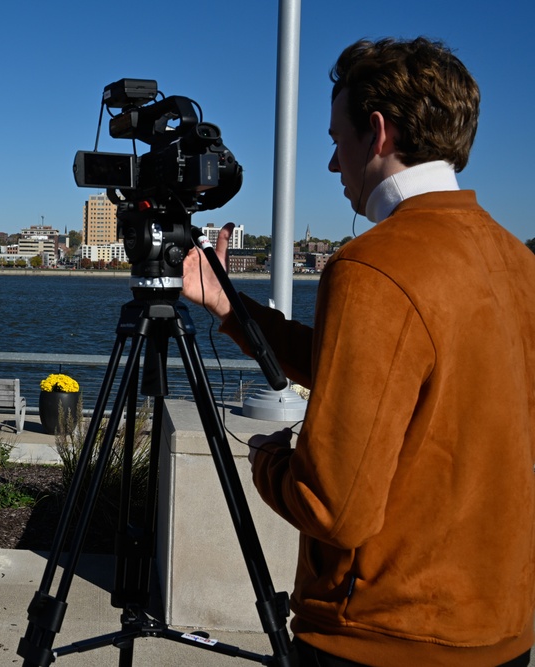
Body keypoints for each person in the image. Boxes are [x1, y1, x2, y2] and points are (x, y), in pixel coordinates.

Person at [183, 37, 535, 667]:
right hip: (501, 627)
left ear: (377, 133)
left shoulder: (374, 265)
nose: (331, 163)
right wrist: (233, 308)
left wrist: (269, 459)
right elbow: (389, 375)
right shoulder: (517, 261)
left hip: (380, 633)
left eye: (334, 138)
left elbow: (334, 507)